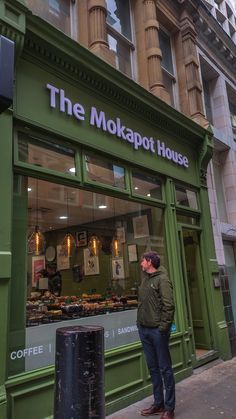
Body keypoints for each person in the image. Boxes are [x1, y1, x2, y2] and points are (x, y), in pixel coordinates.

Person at [137, 251, 175, 418]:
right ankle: (158, 403)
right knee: (152, 368)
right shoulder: (145, 280)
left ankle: (169, 408)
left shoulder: (163, 279)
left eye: (142, 261)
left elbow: (169, 305)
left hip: (157, 331)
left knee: (165, 369)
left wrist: (163, 328)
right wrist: (139, 324)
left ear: (150, 262)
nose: (140, 263)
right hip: (144, 330)